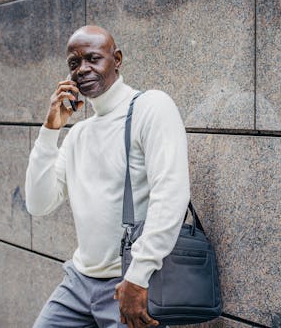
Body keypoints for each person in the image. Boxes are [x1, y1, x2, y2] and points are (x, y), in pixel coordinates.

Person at [26, 25, 190, 328]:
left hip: (127, 283)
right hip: (77, 281)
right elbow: (38, 204)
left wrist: (138, 277)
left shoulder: (150, 107)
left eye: (93, 59)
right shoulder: (79, 134)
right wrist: (51, 131)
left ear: (117, 59)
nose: (82, 70)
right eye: (74, 64)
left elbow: (171, 194)